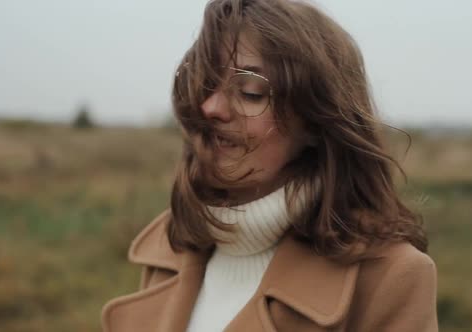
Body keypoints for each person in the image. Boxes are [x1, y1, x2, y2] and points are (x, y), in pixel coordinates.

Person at [102, 0, 438, 331]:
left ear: (316, 125)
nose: (210, 107)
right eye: (206, 83)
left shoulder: (391, 276)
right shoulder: (172, 243)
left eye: (250, 92)